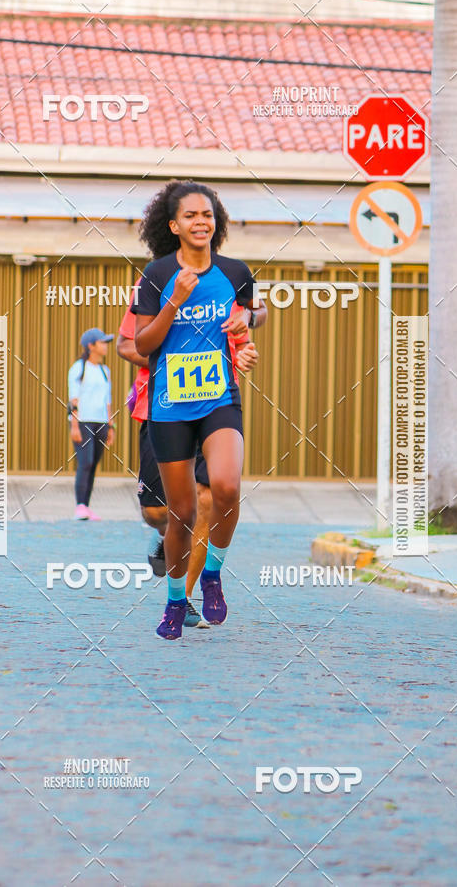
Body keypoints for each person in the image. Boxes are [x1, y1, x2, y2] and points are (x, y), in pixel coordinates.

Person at [133, 180, 267, 639]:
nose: (200, 222)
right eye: (190, 216)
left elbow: (254, 312)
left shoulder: (234, 271)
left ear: (216, 221)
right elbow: (141, 343)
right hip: (169, 406)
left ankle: (212, 573)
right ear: (174, 225)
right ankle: (174, 601)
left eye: (207, 215)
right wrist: (174, 301)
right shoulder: (156, 274)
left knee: (227, 488)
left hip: (218, 399)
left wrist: (247, 324)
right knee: (182, 514)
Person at [117, 289, 259, 627]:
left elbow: (242, 342)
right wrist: (172, 358)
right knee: (157, 513)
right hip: (160, 408)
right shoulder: (153, 283)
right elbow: (126, 345)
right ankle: (162, 536)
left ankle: (184, 598)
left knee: (206, 499)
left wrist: (244, 355)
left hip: (213, 409)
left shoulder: (227, 286)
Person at [68, 328, 115, 520]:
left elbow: (108, 400)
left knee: (93, 464)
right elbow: (74, 398)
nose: (105, 346)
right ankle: (79, 506)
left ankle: (86, 507)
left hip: (101, 422)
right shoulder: (79, 368)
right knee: (85, 463)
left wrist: (110, 426)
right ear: (91, 346)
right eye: (102, 342)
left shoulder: (105, 371)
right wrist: (74, 424)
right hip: (83, 422)